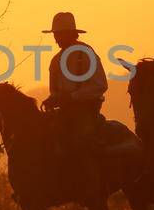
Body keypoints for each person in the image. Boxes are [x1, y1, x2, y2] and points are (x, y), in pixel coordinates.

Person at [41, 11, 108, 194]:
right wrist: (52, 99)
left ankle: (90, 184)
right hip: (64, 112)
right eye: (55, 34)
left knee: (82, 140)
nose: (56, 39)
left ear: (72, 34)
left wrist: (72, 97)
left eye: (59, 34)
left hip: (86, 111)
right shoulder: (55, 61)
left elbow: (100, 85)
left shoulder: (85, 54)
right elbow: (54, 91)